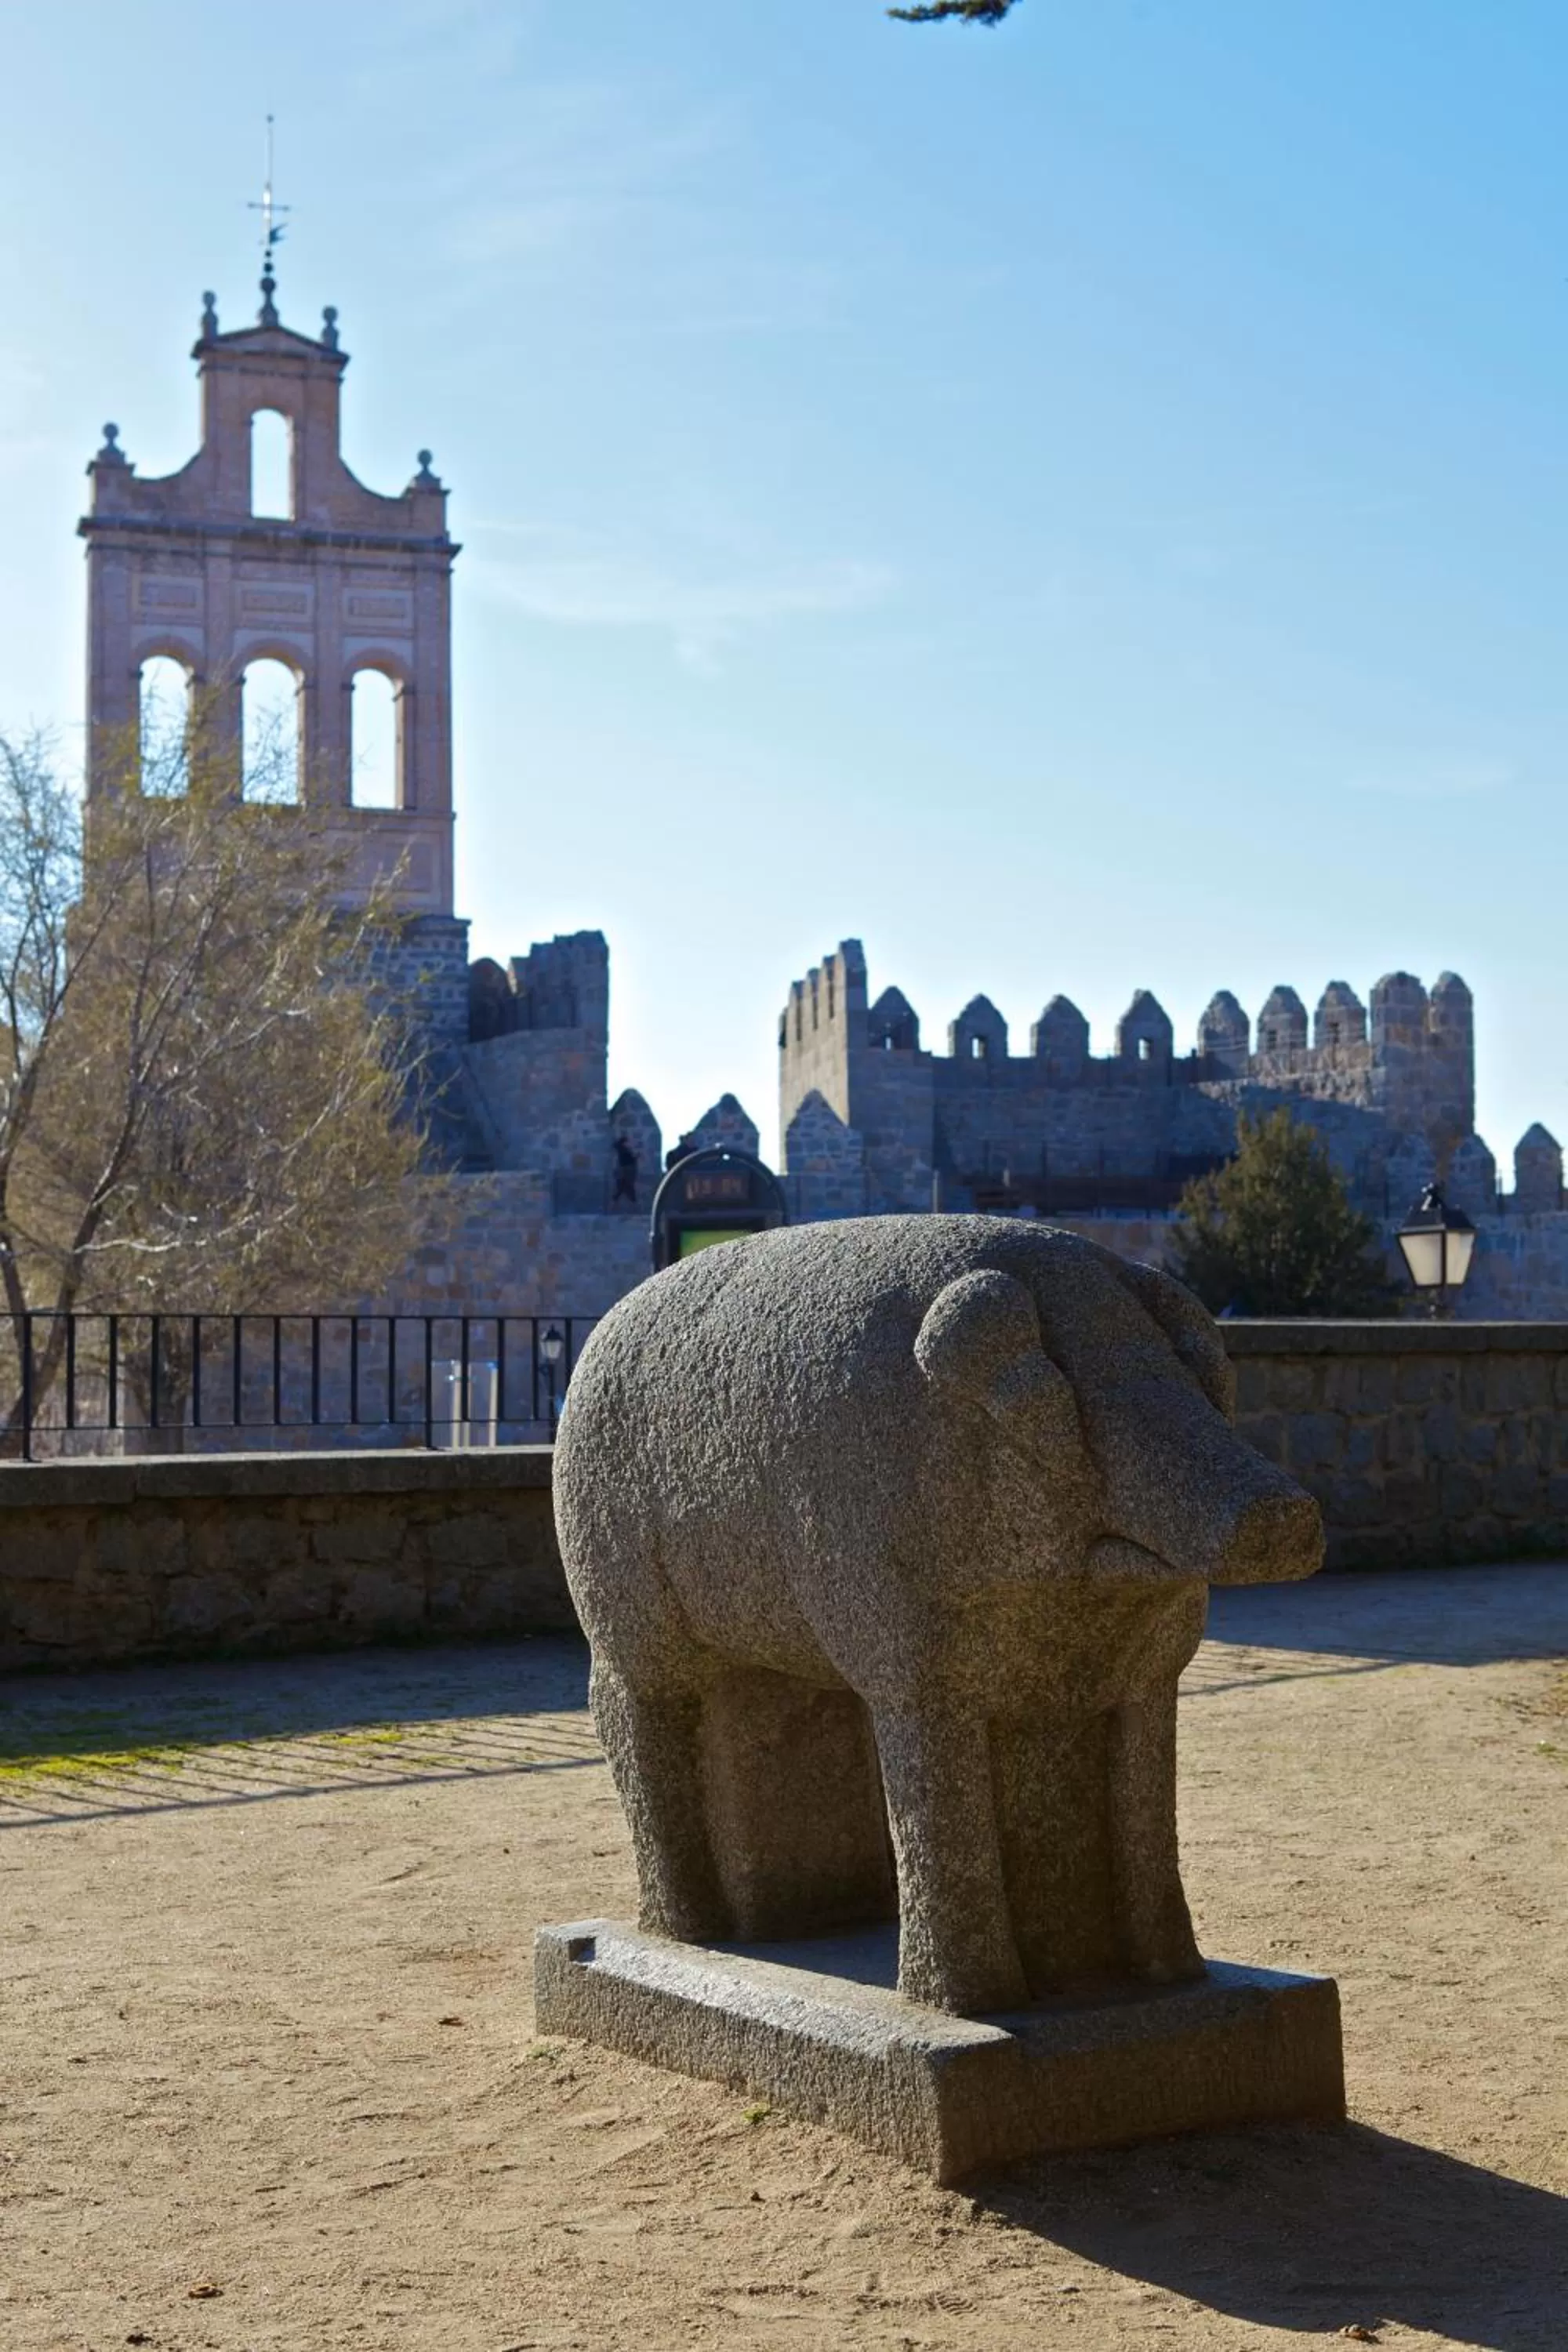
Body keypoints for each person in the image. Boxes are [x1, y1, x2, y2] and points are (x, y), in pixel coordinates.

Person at [612, 1133, 638, 1206]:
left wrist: (636, 1157)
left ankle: (632, 1202)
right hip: (626, 1170)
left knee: (624, 1187)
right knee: (625, 1186)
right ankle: (633, 1203)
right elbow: (629, 1159)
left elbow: (631, 1159)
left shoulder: (624, 1150)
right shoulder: (622, 1149)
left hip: (627, 1170)